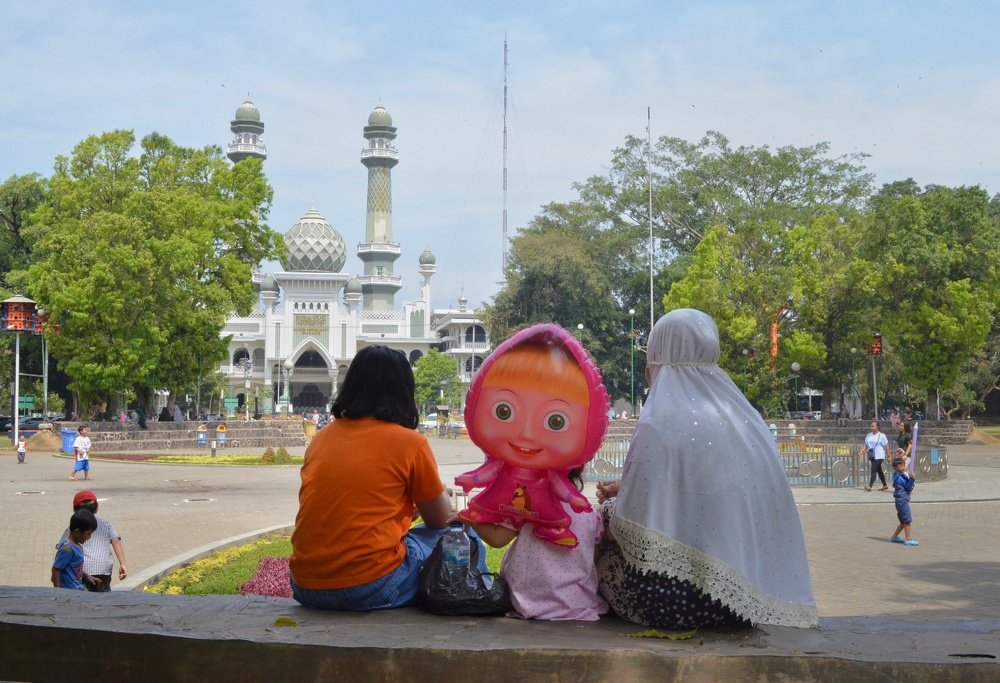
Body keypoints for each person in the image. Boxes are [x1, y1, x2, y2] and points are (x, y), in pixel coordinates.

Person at [595, 309, 817, 630]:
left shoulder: (658, 421)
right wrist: (627, 487)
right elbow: (705, 490)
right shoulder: (741, 416)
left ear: (655, 361)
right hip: (738, 604)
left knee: (602, 548)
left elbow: (634, 524)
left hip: (674, 604)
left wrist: (609, 508)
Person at [289, 345, 482, 611]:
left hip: (305, 586)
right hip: (370, 586)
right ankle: (468, 599)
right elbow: (439, 519)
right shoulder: (410, 443)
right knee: (464, 538)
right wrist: (438, 499)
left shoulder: (321, 438)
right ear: (404, 391)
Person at [473, 466, 608, 621]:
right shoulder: (591, 513)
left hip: (526, 603)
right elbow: (593, 558)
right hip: (578, 605)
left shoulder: (525, 506)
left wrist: (471, 520)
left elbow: (497, 539)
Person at [58, 490, 128, 592]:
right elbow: (116, 541)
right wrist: (123, 564)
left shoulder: (73, 528)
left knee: (84, 597)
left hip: (83, 570)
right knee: (103, 595)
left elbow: (61, 546)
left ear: (75, 511)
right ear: (97, 508)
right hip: (103, 570)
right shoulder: (106, 524)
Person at [51, 509, 97, 590]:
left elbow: (73, 568)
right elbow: (56, 569)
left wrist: (86, 576)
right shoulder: (68, 549)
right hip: (69, 591)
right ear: (78, 532)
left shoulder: (77, 546)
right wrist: (58, 591)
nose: (90, 537)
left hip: (77, 588)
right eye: (88, 534)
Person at [889, 458, 919, 546]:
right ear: (895, 468)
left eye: (903, 465)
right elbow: (908, 487)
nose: (903, 467)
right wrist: (912, 479)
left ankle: (894, 537)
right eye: (900, 466)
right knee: (907, 520)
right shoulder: (899, 477)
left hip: (900, 500)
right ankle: (908, 539)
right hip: (902, 501)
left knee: (903, 522)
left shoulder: (900, 475)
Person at [862, 420, 890, 492]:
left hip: (880, 455)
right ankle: (885, 485)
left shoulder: (882, 435)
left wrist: (888, 455)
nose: (871, 427)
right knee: (879, 471)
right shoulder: (869, 435)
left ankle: (870, 486)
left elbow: (886, 446)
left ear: (878, 427)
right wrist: (862, 451)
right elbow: (865, 445)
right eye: (871, 426)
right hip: (872, 455)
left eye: (873, 426)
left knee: (873, 469)